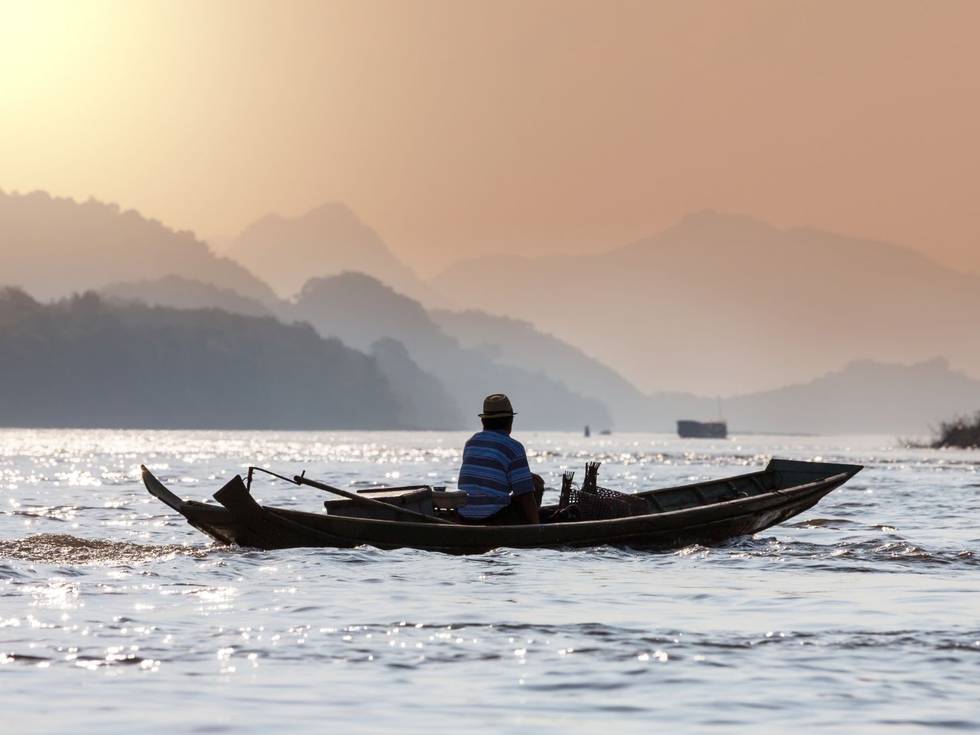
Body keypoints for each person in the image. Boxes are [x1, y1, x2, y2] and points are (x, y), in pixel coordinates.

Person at [456, 393, 544, 524]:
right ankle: (531, 526)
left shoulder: (471, 443)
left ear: (483, 421)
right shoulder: (514, 447)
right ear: (510, 421)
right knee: (535, 483)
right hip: (494, 519)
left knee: (526, 479)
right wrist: (537, 529)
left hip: (463, 517)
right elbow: (525, 494)